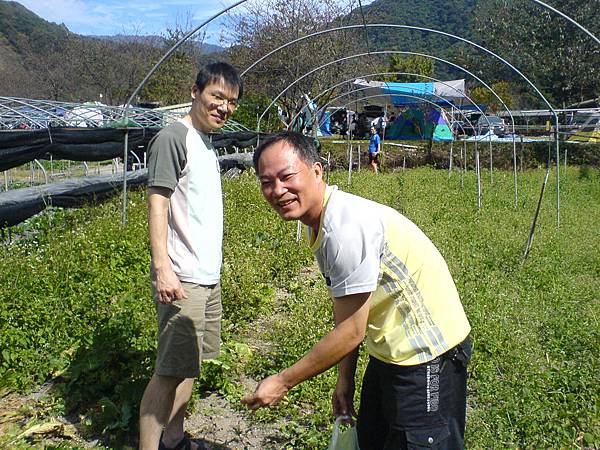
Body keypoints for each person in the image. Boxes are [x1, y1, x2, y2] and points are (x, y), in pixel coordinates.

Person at [242, 131, 471, 450]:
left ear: (317, 171)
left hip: (428, 353)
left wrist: (282, 382)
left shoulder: (344, 228)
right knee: (375, 438)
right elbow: (347, 317)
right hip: (390, 348)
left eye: (286, 176)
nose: (278, 190)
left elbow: (351, 331)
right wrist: (344, 379)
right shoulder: (323, 220)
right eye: (267, 182)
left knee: (421, 441)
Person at [139, 62, 242, 450]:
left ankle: (176, 439)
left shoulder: (205, 141)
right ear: (196, 91)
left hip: (205, 276)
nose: (224, 107)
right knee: (168, 372)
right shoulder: (174, 137)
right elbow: (157, 204)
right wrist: (163, 268)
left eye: (231, 102)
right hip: (181, 277)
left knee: (188, 367)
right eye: (217, 96)